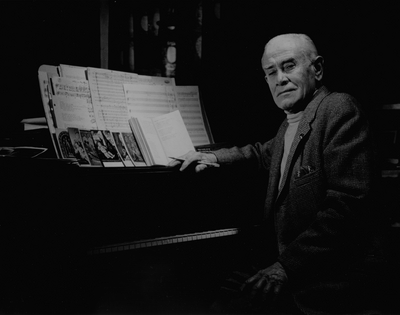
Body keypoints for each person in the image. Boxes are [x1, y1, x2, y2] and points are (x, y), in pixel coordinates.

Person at [169, 33, 387, 314]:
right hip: (299, 268)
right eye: (270, 72)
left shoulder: (339, 108)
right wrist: (211, 156)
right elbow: (261, 152)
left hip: (333, 280)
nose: (279, 79)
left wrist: (283, 268)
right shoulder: (291, 123)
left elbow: (347, 206)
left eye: (289, 66)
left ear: (317, 69)